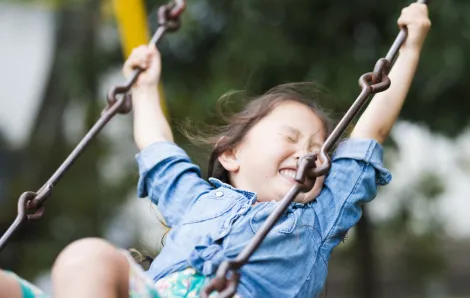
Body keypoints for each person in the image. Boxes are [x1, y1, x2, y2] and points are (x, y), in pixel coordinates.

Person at [0, 3, 431, 298]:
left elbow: (371, 128)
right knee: (84, 257)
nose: (307, 154)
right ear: (231, 155)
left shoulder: (316, 219)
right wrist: (147, 88)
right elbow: (158, 149)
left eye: (318, 149)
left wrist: (410, 46)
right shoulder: (198, 203)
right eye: (290, 138)